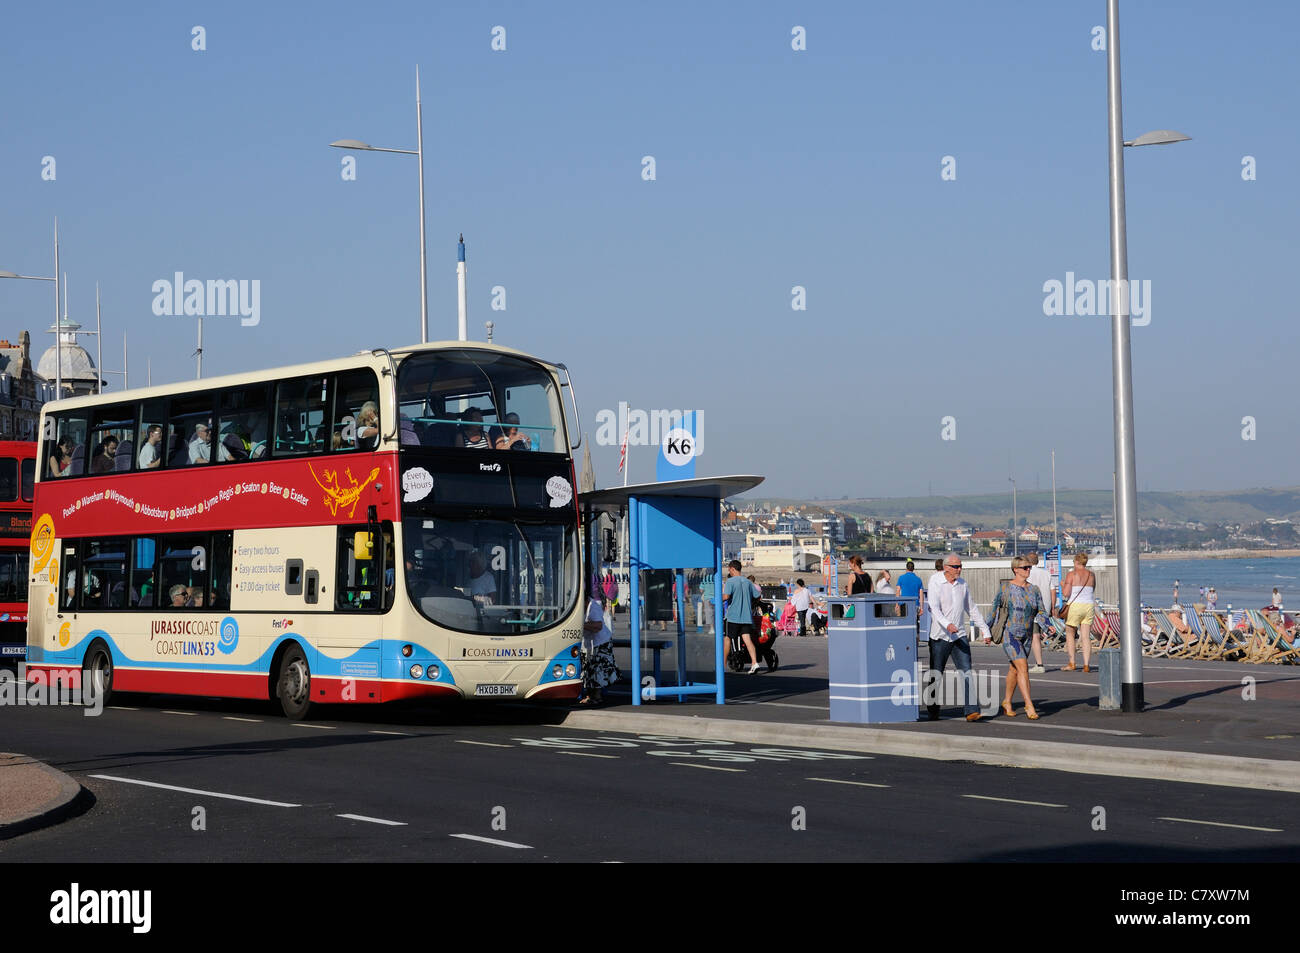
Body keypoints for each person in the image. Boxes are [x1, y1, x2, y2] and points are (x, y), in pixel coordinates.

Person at [926, 553, 990, 722]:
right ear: (946, 567)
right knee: (936, 674)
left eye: (961, 566)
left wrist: (985, 629)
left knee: (966, 671)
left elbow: (972, 608)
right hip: (940, 636)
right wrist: (947, 624)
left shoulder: (962, 584)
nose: (959, 569)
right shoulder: (935, 581)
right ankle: (932, 709)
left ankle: (971, 710)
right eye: (956, 566)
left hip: (959, 635)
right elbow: (934, 608)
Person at [990, 556, 1047, 719]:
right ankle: (1029, 705)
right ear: (1015, 569)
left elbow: (1041, 611)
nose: (1028, 570)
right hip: (1011, 634)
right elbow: (994, 609)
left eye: (1029, 567)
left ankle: (1007, 701)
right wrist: (987, 630)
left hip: (1027, 635)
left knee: (1014, 669)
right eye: (1024, 568)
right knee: (1023, 667)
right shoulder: (1006, 588)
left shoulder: (1034, 589)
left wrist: (1047, 624)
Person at [578, 575, 619, 705]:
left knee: (596, 671)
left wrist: (580, 625)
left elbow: (598, 626)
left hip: (600, 643)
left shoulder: (592, 606)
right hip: (589, 644)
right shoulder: (581, 606)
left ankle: (596, 697)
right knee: (588, 670)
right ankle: (591, 696)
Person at [722, 559, 762, 674]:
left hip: (733, 616)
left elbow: (726, 596)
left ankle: (723, 666)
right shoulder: (748, 582)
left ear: (733, 569)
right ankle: (754, 663)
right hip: (746, 617)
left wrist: (716, 599)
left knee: (727, 639)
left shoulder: (730, 581)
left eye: (729, 570)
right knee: (747, 640)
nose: (729, 572)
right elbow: (757, 596)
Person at [1060, 551, 1097, 672]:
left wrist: (1063, 584)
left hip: (1075, 606)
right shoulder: (1091, 575)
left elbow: (1066, 593)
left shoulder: (1072, 574)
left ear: (1076, 562)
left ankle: (1072, 663)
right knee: (1086, 636)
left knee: (1070, 634)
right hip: (1089, 605)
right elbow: (1092, 589)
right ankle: (1086, 665)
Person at [1025, 552, 1054, 674]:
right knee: (1037, 635)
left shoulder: (1028, 574)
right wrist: (1052, 607)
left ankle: (1039, 664)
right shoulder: (1046, 573)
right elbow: (1053, 591)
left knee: (1034, 636)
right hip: (1045, 607)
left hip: (1033, 608)